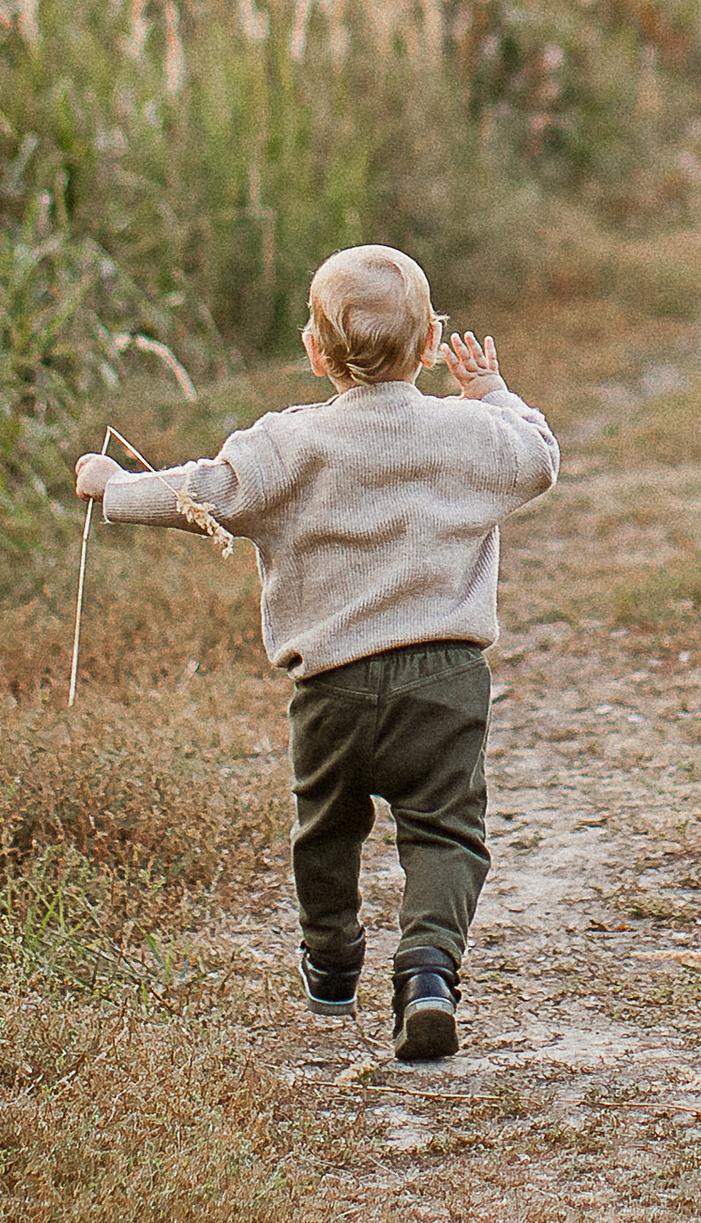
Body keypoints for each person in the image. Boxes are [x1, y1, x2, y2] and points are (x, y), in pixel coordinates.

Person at [72, 241, 557, 1064]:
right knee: (445, 833)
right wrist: (492, 390)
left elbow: (201, 488)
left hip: (330, 687)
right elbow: (537, 459)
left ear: (313, 350)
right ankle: (430, 974)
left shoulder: (285, 445)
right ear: (432, 340)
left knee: (325, 829)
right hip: (445, 679)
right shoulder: (469, 432)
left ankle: (333, 964)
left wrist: (110, 486)